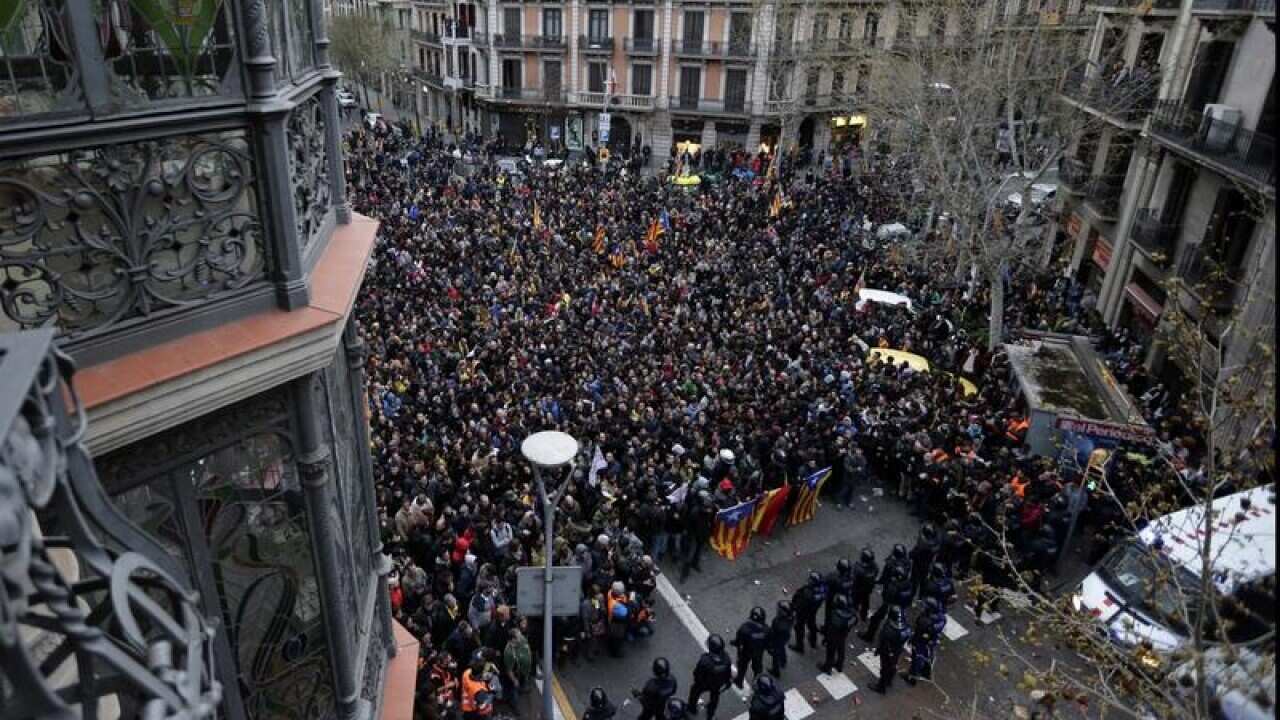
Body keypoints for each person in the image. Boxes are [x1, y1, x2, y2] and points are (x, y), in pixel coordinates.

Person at [859, 562, 911, 642]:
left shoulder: (894, 586)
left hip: (889, 606)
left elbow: (888, 596)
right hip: (900, 608)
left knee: (875, 619)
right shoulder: (907, 584)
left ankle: (869, 637)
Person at [687, 635, 733, 720]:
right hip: (718, 683)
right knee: (715, 697)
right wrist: (727, 682)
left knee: (694, 692)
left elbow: (697, 674)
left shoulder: (705, 660)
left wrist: (698, 682)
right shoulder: (727, 659)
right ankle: (710, 713)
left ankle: (692, 708)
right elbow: (728, 673)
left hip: (704, 683)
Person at [904, 597, 947, 686]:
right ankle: (921, 672)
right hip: (928, 640)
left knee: (918, 657)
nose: (924, 607)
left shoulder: (928, 620)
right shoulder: (940, 617)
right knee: (923, 656)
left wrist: (914, 637)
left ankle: (912, 677)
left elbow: (921, 628)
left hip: (922, 640)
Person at [871, 606, 912, 694]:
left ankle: (881, 687)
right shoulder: (906, 626)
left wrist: (879, 650)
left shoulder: (889, 628)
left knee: (885, 668)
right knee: (893, 665)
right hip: (897, 650)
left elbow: (883, 640)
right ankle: (889, 680)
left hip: (887, 651)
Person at [731, 606, 769, 688]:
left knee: (742, 666)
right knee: (757, 667)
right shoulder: (766, 629)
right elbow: (768, 641)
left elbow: (739, 641)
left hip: (746, 651)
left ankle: (739, 681)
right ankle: (758, 683)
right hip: (758, 651)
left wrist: (736, 645)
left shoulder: (744, 628)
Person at [819, 593, 856, 675]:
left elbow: (831, 627)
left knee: (831, 652)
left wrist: (826, 637)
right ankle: (839, 665)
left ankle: (827, 667)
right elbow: (854, 621)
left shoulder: (836, 615)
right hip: (843, 634)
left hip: (833, 635)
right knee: (841, 648)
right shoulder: (851, 613)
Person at [790, 571, 826, 653]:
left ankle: (799, 646)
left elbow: (800, 604)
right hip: (813, 610)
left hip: (804, 612)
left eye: (810, 579)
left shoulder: (807, 593)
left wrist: (794, 609)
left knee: (799, 627)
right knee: (811, 624)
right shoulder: (822, 589)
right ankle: (813, 641)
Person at [461, 651, 495, 720]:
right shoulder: (479, 691)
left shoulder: (467, 673)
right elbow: (484, 710)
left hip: (466, 706)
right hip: (474, 711)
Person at [850, 548, 879, 623]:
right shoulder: (874, 566)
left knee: (854, 602)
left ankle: (853, 614)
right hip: (867, 589)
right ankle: (863, 616)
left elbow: (853, 577)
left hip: (857, 589)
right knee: (865, 603)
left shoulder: (858, 568)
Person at [767, 600, 794, 676]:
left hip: (778, 639)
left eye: (779, 609)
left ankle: (775, 671)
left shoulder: (778, 622)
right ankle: (783, 661)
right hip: (785, 637)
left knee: (775, 654)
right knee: (782, 648)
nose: (778, 610)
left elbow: (773, 632)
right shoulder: (790, 617)